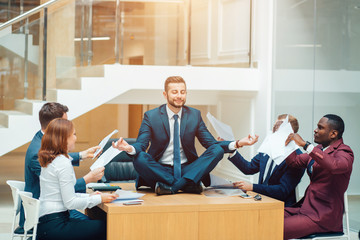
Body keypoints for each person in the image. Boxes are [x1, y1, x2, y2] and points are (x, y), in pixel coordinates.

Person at [112, 76, 234, 195]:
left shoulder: (194, 115)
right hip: (159, 170)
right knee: (139, 158)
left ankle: (173, 187)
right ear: (165, 94)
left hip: (187, 169)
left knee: (217, 150)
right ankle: (186, 184)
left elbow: (211, 144)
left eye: (182, 92)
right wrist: (130, 149)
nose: (179, 96)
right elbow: (142, 143)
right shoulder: (151, 116)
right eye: (174, 92)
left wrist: (237, 144)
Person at [16, 102, 103, 234]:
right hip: (43, 216)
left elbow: (57, 162)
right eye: (65, 123)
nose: (67, 127)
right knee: (100, 226)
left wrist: (82, 155)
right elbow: (62, 187)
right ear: (56, 127)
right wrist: (88, 179)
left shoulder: (42, 142)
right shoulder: (38, 153)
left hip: (52, 210)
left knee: (94, 223)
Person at [37, 118, 117, 240]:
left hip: (47, 223)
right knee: (109, 228)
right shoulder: (63, 163)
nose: (75, 138)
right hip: (56, 226)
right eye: (73, 134)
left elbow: (65, 195)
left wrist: (90, 197)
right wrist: (100, 198)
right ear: (64, 139)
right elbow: (70, 202)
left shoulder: (52, 159)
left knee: (99, 225)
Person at [283, 114, 354, 239]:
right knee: (266, 216)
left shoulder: (345, 152)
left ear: (333, 134)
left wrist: (305, 145)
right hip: (304, 209)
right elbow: (294, 161)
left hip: (322, 216)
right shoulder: (319, 149)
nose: (315, 130)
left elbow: (335, 165)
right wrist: (287, 142)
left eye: (320, 128)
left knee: (274, 226)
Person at [228, 114, 305, 207]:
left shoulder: (298, 157)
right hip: (262, 202)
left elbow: (282, 190)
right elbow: (248, 168)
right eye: (275, 126)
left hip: (282, 208)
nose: (275, 129)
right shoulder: (267, 148)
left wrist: (252, 187)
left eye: (279, 126)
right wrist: (231, 149)